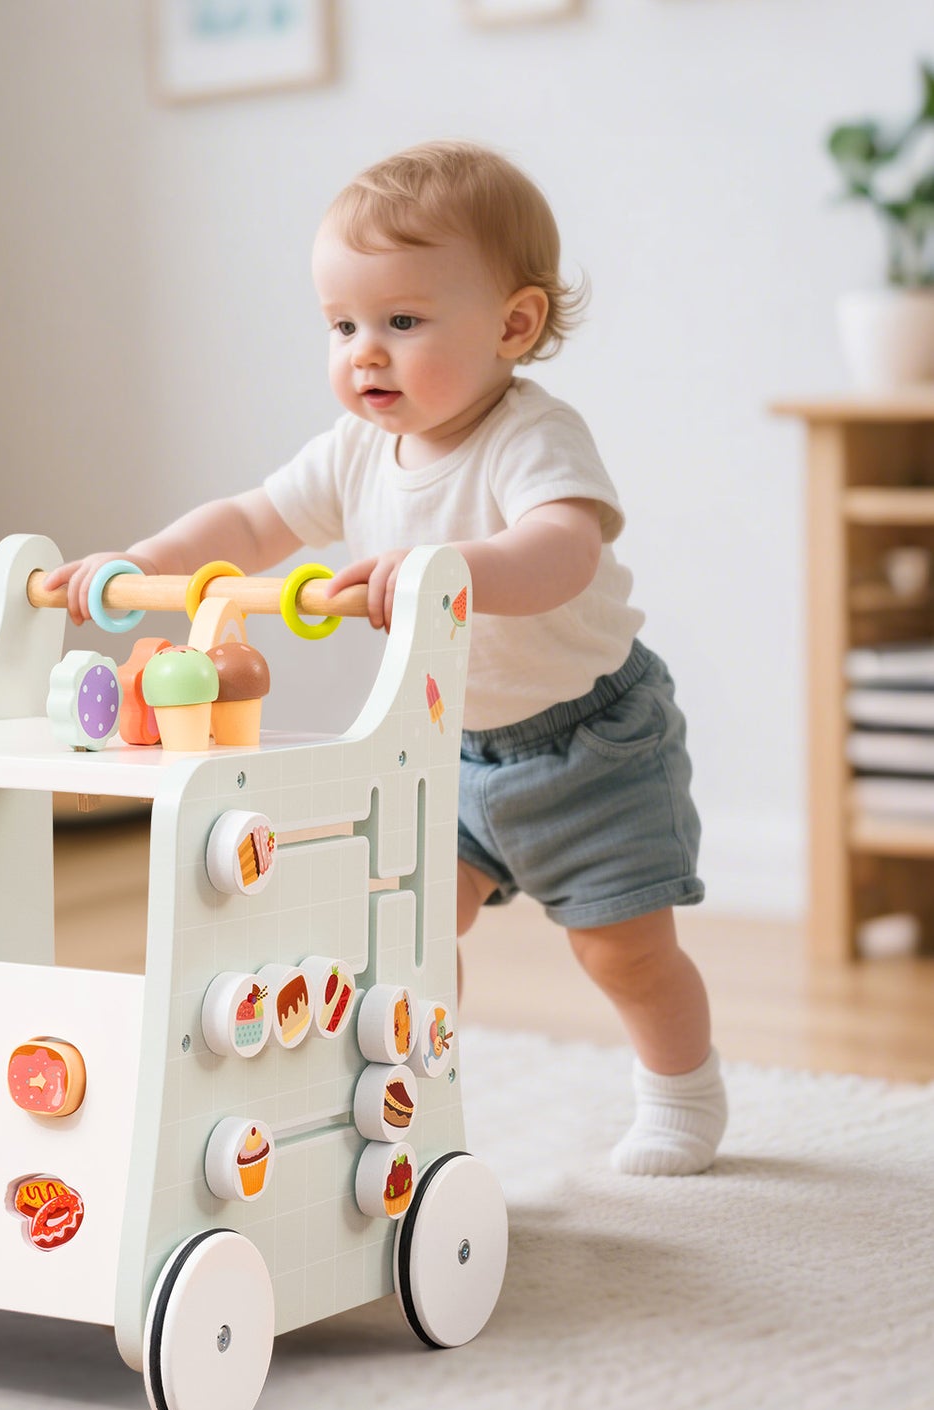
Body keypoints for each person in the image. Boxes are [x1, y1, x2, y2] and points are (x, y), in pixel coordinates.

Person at [43, 140, 725, 1175]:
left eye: (402, 323)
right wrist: (145, 561)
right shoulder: (355, 449)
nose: (366, 352)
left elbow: (562, 553)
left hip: (590, 746)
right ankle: (408, 1089)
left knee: (620, 950)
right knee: (401, 941)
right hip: (442, 748)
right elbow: (256, 520)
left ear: (514, 325)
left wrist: (439, 568)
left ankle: (683, 1094)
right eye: (344, 324)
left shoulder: (531, 437)